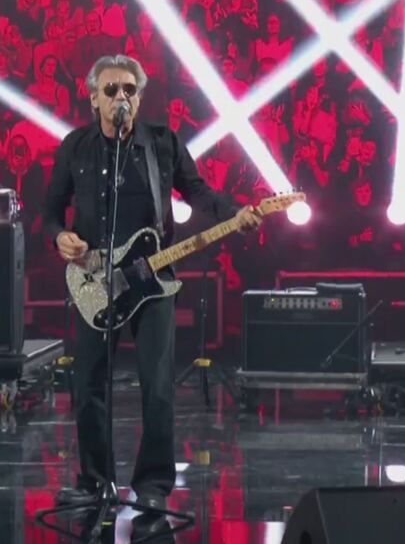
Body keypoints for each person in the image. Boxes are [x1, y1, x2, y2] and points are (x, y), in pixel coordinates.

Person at [43, 55, 261, 523]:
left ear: (139, 97)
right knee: (89, 386)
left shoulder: (161, 143)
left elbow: (197, 191)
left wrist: (234, 214)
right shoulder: (76, 146)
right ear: (93, 97)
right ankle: (94, 481)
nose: (120, 97)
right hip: (94, 279)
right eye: (111, 90)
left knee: (158, 387)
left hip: (153, 282)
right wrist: (59, 237)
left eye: (129, 89)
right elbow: (49, 212)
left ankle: (153, 486)